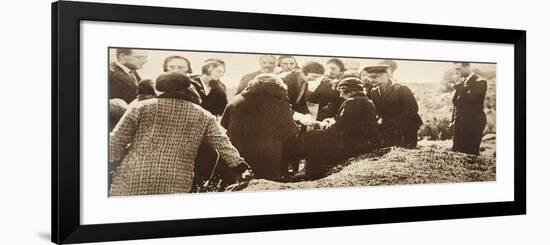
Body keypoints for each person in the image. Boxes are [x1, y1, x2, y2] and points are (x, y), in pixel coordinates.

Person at [109, 72, 253, 196]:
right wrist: (241, 168)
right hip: (177, 179)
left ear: (158, 89)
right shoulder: (203, 114)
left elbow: (116, 140)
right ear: (187, 88)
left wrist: (112, 162)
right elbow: (223, 144)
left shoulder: (140, 107)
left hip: (133, 174)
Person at [221, 74, 298, 181]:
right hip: (268, 154)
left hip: (237, 153)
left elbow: (224, 124)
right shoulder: (279, 103)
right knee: (266, 185)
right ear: (278, 86)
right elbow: (290, 130)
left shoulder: (236, 100)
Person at [302, 76, 381, 179]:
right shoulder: (365, 100)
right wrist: (331, 121)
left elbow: (339, 129)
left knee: (312, 136)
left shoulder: (352, 102)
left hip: (355, 144)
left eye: (341, 91)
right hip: (363, 141)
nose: (340, 95)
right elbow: (348, 122)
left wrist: (321, 124)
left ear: (349, 90)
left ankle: (313, 173)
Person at [367, 65, 423, 148]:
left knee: (406, 151)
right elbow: (377, 110)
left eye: (374, 77)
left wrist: (391, 122)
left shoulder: (401, 89)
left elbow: (412, 109)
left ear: (385, 75)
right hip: (389, 128)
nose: (371, 80)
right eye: (369, 78)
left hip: (407, 126)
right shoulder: (373, 91)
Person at [451, 62, 487, 155]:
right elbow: (456, 102)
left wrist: (458, 85)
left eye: (458, 69)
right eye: (455, 69)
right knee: (457, 154)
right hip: (460, 124)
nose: (456, 72)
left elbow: (470, 99)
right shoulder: (461, 82)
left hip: (473, 124)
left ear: (467, 67)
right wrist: (453, 120)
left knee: (471, 155)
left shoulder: (480, 82)